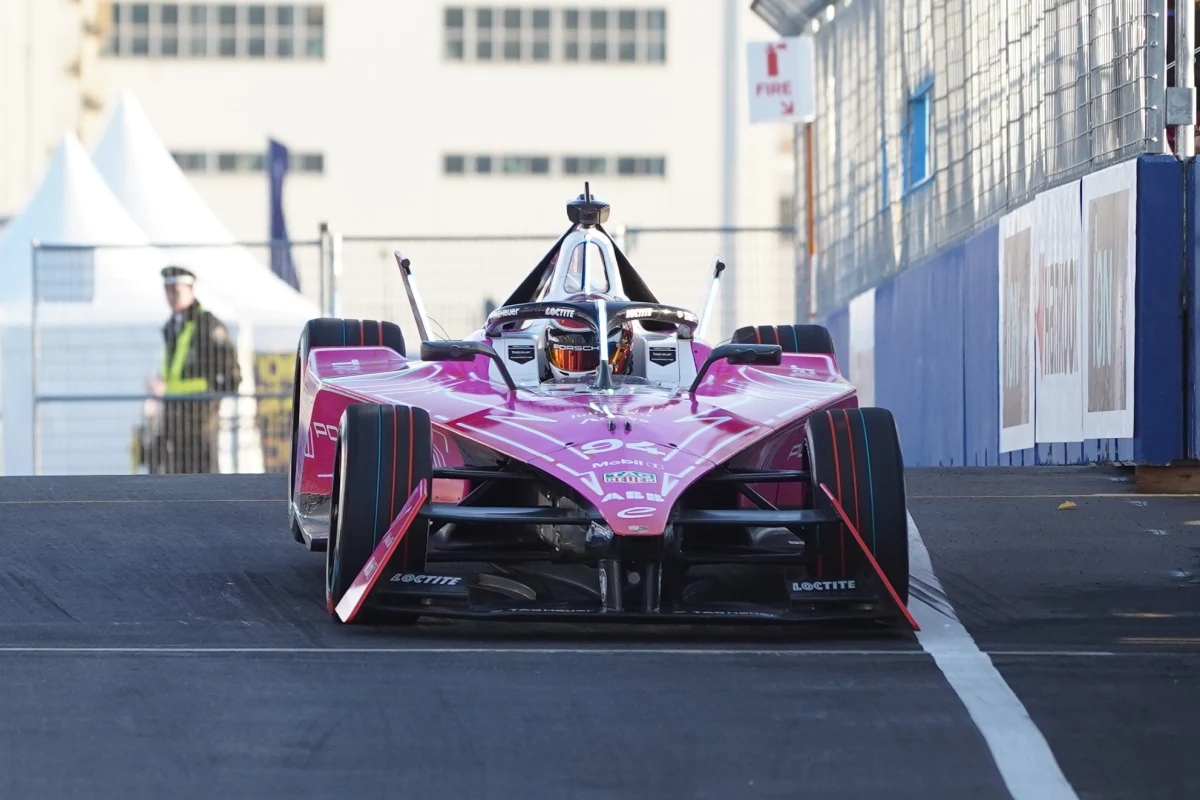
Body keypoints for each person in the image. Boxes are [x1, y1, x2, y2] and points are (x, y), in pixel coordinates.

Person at [143, 266, 241, 474]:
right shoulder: (171, 326)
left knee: (204, 474)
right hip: (174, 416)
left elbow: (231, 372)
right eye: (168, 291)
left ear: (191, 290)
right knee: (178, 474)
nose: (171, 296)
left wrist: (211, 401)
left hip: (199, 416)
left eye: (176, 291)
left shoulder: (206, 323)